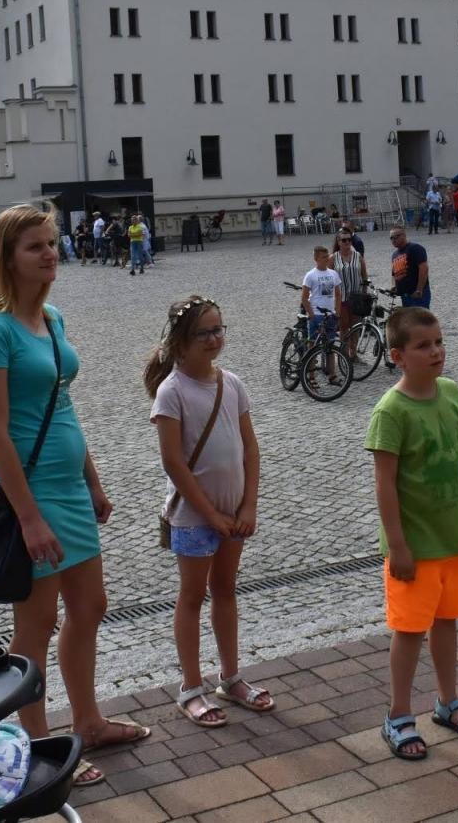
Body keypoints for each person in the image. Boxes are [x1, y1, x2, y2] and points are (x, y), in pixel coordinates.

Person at [0, 204, 144, 787]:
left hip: (67, 485)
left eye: (51, 243)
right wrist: (30, 518)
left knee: (90, 608)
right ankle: (36, 742)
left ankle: (87, 721)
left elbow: (60, 405)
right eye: (35, 246)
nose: (50, 253)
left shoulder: (54, 318)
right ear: (7, 258)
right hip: (28, 492)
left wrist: (92, 480)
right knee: (37, 622)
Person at [366, 306, 458, 760]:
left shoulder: (452, 394)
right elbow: (384, 484)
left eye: (439, 341)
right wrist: (397, 544)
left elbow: (455, 462)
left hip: (453, 536)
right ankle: (398, 712)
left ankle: (448, 701)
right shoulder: (391, 412)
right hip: (415, 548)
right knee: (409, 630)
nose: (436, 351)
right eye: (423, 346)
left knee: (446, 621)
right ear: (398, 356)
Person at [145, 297, 272, 727]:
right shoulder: (172, 392)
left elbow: (250, 447)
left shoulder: (231, 384)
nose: (216, 338)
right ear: (181, 342)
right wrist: (211, 514)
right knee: (192, 596)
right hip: (194, 517)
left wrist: (248, 502)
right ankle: (191, 686)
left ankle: (231, 676)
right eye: (206, 332)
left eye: (220, 329)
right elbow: (173, 464)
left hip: (233, 511)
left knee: (226, 591)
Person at [300, 246, 343, 384]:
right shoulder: (310, 275)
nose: (326, 259)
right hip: (317, 315)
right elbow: (304, 297)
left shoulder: (333, 274)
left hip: (330, 315)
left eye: (327, 256)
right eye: (323, 257)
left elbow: (338, 293)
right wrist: (311, 314)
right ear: (316, 259)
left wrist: (337, 311)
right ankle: (311, 376)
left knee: (330, 346)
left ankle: (332, 375)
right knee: (312, 346)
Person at [333, 231, 369, 355]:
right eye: (344, 240)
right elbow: (328, 277)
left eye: (349, 239)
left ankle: (353, 353)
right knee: (343, 327)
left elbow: (364, 275)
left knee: (355, 327)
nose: (347, 242)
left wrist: (365, 292)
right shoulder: (333, 258)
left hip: (357, 297)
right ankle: (344, 354)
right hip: (342, 297)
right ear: (338, 242)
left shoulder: (358, 256)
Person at [389, 226, 430, 308]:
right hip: (404, 296)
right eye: (391, 238)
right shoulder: (395, 254)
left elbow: (423, 269)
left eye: (396, 237)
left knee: (420, 319)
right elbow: (394, 274)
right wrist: (393, 286)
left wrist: (419, 289)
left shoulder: (415, 248)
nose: (393, 240)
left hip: (417, 295)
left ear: (404, 235)